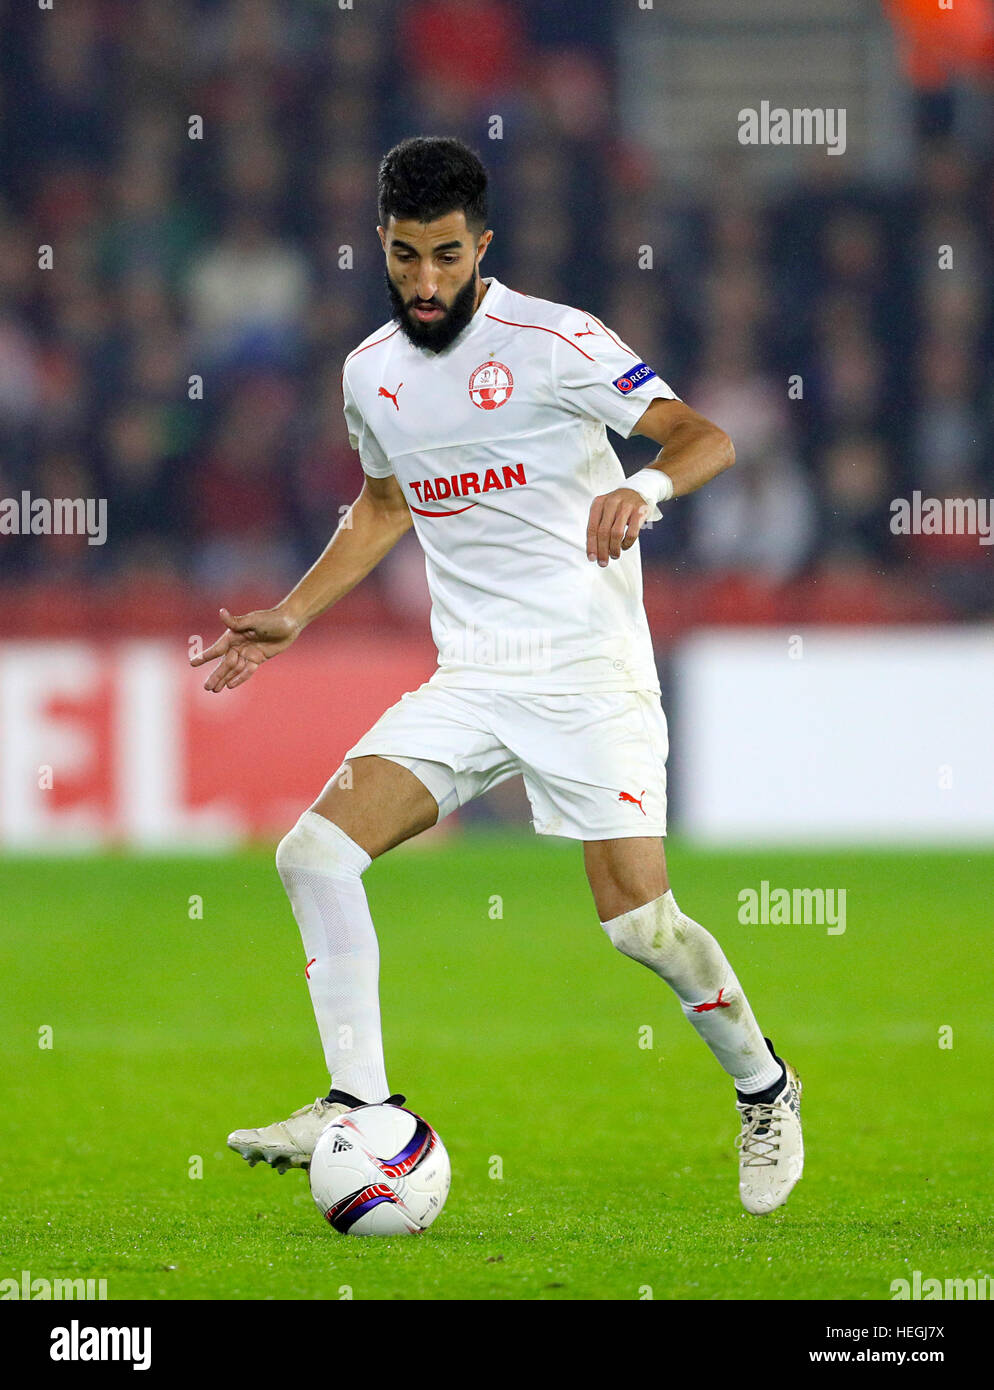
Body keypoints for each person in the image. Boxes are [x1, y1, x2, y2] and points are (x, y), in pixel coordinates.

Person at [192, 136, 803, 1215]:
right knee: (314, 852)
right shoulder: (369, 375)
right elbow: (384, 505)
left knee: (640, 927)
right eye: (402, 256)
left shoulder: (558, 340)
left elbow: (703, 436)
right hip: (472, 676)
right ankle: (357, 1103)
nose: (425, 281)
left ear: (483, 245)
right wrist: (294, 609)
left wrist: (645, 492)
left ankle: (763, 1085)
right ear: (379, 247)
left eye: (443, 255)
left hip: (586, 672)